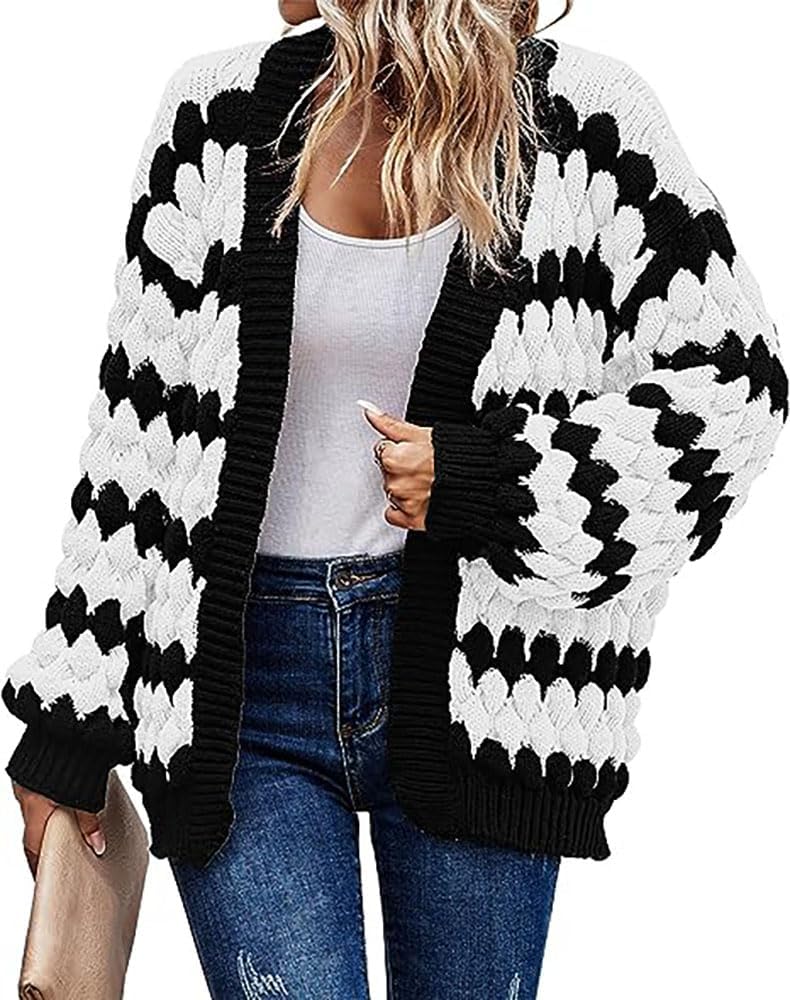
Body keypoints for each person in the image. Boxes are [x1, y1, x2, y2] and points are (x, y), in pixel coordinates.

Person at [4, 2, 786, 997]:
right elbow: (140, 436)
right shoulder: (215, 115)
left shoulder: (589, 125)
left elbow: (736, 387)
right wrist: (67, 726)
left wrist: (495, 486)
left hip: (488, 686)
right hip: (238, 691)